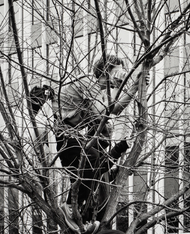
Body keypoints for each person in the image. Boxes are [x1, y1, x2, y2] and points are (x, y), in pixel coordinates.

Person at [52, 55, 149, 232]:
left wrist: (135, 86)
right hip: (65, 135)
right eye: (117, 70)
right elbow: (102, 112)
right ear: (106, 70)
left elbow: (115, 110)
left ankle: (77, 211)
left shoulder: (100, 92)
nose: (120, 74)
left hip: (74, 137)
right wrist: (124, 84)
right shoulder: (89, 82)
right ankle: (69, 207)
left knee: (95, 163)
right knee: (92, 158)